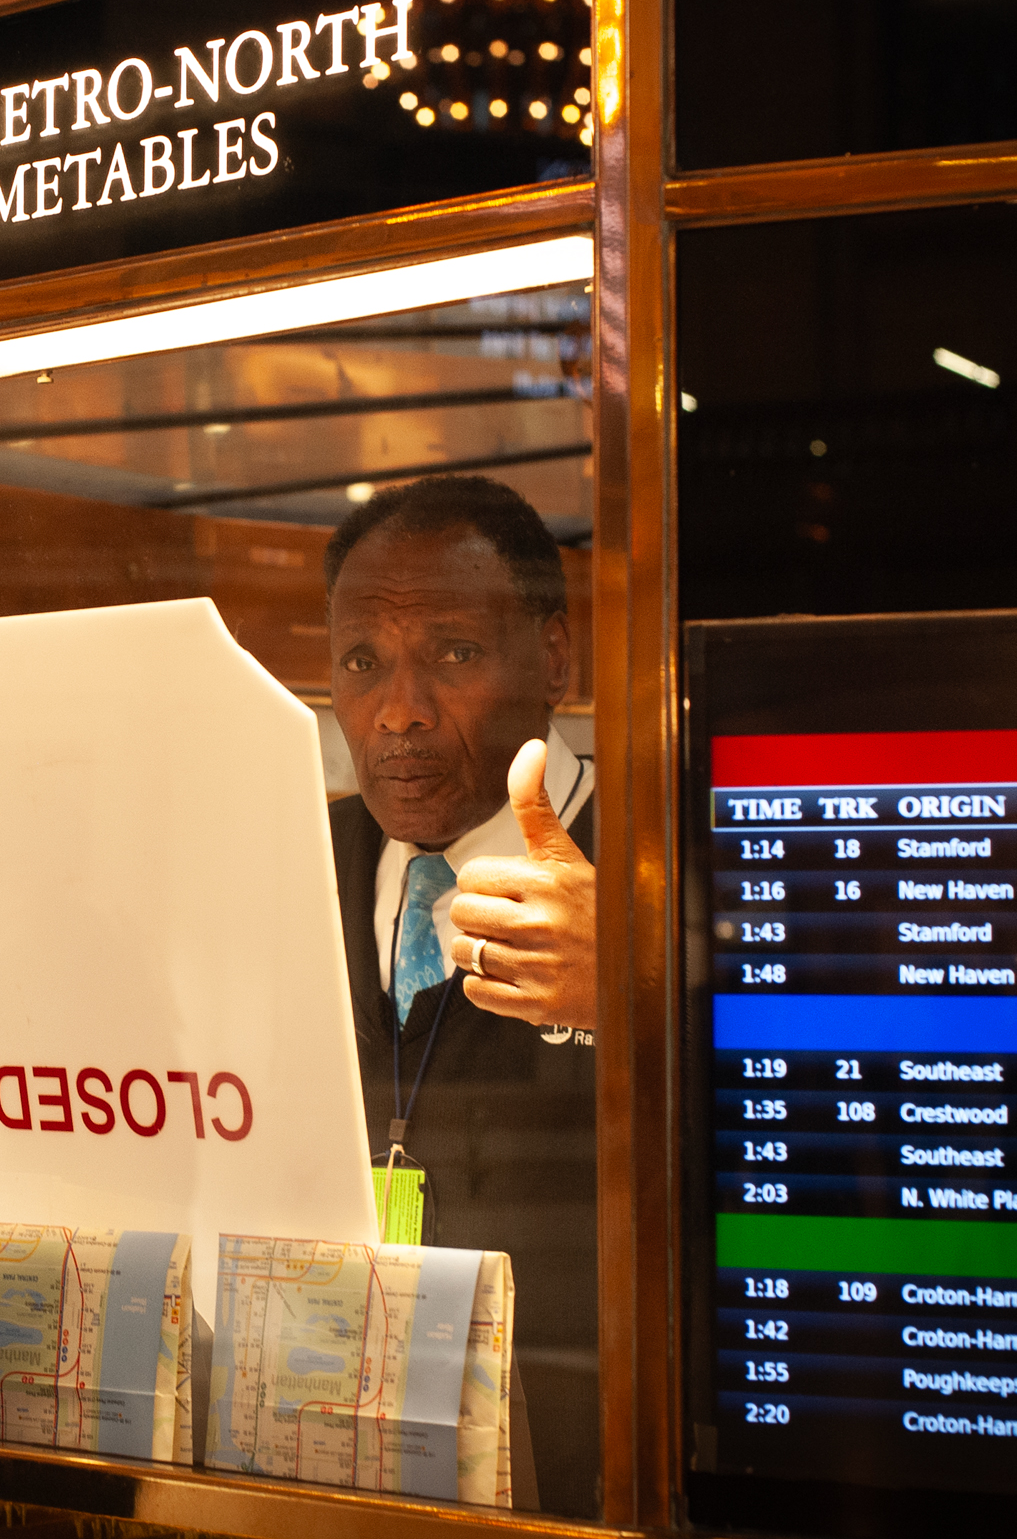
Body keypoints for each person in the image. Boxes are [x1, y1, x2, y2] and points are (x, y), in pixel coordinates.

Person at [322, 473, 599, 1512]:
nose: (398, 708)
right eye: (362, 661)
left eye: (452, 653)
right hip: (337, 1458)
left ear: (554, 658)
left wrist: (640, 989)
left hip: (589, 1468)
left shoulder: (673, 871)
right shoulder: (289, 857)